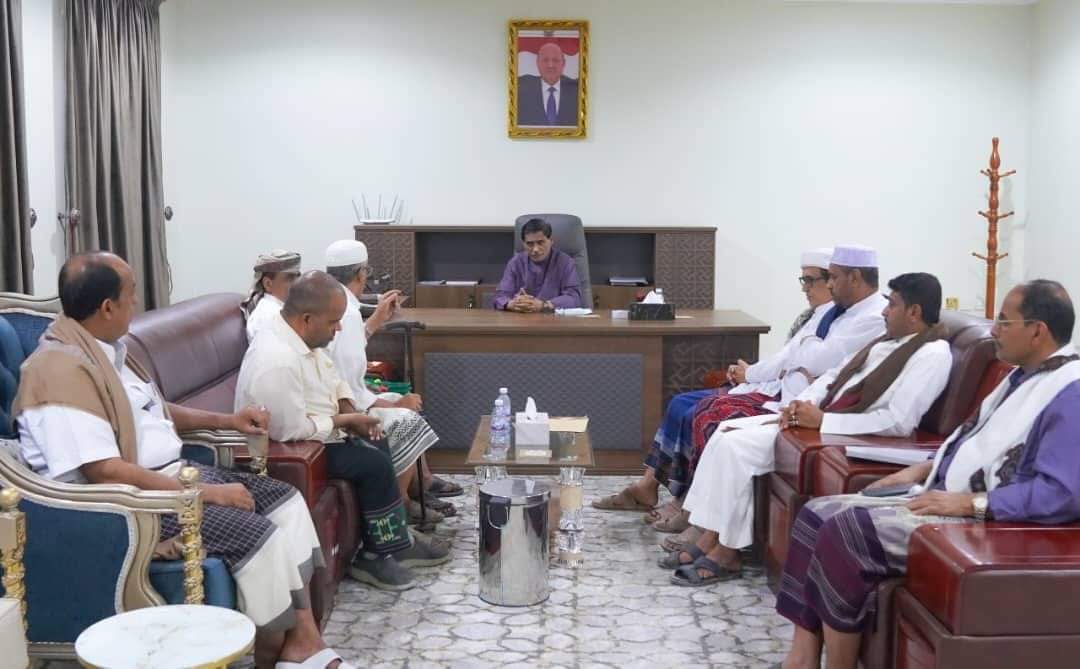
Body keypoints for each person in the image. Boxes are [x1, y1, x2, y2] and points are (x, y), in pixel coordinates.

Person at [13, 252, 354, 669]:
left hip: (172, 475)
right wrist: (206, 493)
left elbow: (151, 410)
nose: (136, 302)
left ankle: (302, 641)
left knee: (287, 503)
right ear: (107, 307)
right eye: (131, 294)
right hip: (130, 503)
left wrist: (228, 420)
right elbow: (102, 470)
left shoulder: (107, 351)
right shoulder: (59, 371)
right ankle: (278, 652)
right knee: (261, 538)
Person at [775, 280, 1080, 669]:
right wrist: (921, 469)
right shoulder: (1024, 375)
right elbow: (974, 442)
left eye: (1004, 321)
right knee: (816, 514)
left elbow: (1061, 493)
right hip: (940, 491)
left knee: (848, 532)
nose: (994, 330)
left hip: (986, 520)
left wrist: (969, 504)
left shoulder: (1069, 393)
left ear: (1038, 331)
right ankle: (801, 659)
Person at [667, 272, 953, 588]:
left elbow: (898, 421)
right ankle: (710, 536)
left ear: (914, 312)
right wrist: (802, 404)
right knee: (725, 432)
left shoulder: (933, 354)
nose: (884, 311)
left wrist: (823, 421)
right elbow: (833, 376)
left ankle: (726, 554)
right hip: (825, 419)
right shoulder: (886, 341)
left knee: (737, 447)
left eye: (893, 305)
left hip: (850, 433)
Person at [593, 246, 888, 538]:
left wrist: (778, 363)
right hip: (781, 388)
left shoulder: (870, 318)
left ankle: (689, 507)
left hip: (796, 401)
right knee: (681, 404)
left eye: (821, 279)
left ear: (854, 277)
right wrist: (765, 369)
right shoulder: (835, 313)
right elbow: (794, 357)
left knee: (705, 416)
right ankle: (651, 488)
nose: (813, 287)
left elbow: (814, 359)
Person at [235, 271, 450, 592]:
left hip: (319, 430)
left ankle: (395, 539)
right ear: (307, 319)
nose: (338, 328)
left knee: (379, 441)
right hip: (294, 448)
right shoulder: (276, 359)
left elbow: (333, 377)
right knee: (373, 464)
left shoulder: (301, 337)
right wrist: (345, 422)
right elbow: (291, 429)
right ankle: (375, 556)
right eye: (334, 322)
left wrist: (350, 410)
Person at [323, 239, 462, 520]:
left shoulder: (339, 305)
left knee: (401, 402)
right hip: (341, 409)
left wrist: (376, 320)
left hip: (344, 399)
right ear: (361, 274)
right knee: (406, 418)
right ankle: (401, 505)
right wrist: (397, 405)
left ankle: (420, 483)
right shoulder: (346, 312)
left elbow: (348, 356)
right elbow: (348, 389)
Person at [494, 218, 583, 312]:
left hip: (552, 318)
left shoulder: (566, 262)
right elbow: (500, 297)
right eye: (530, 244)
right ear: (523, 244)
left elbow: (574, 299)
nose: (535, 249)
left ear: (551, 241)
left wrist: (544, 305)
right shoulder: (515, 263)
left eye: (540, 242)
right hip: (521, 318)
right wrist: (512, 304)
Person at [242, 249, 301, 342]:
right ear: (268, 284)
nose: (297, 283)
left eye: (298, 277)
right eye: (290, 278)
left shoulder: (281, 309)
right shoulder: (269, 314)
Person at [517, 42, 579, 126]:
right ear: (537, 63)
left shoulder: (577, 91)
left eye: (555, 60)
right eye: (545, 60)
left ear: (563, 64)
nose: (550, 65)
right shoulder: (521, 90)